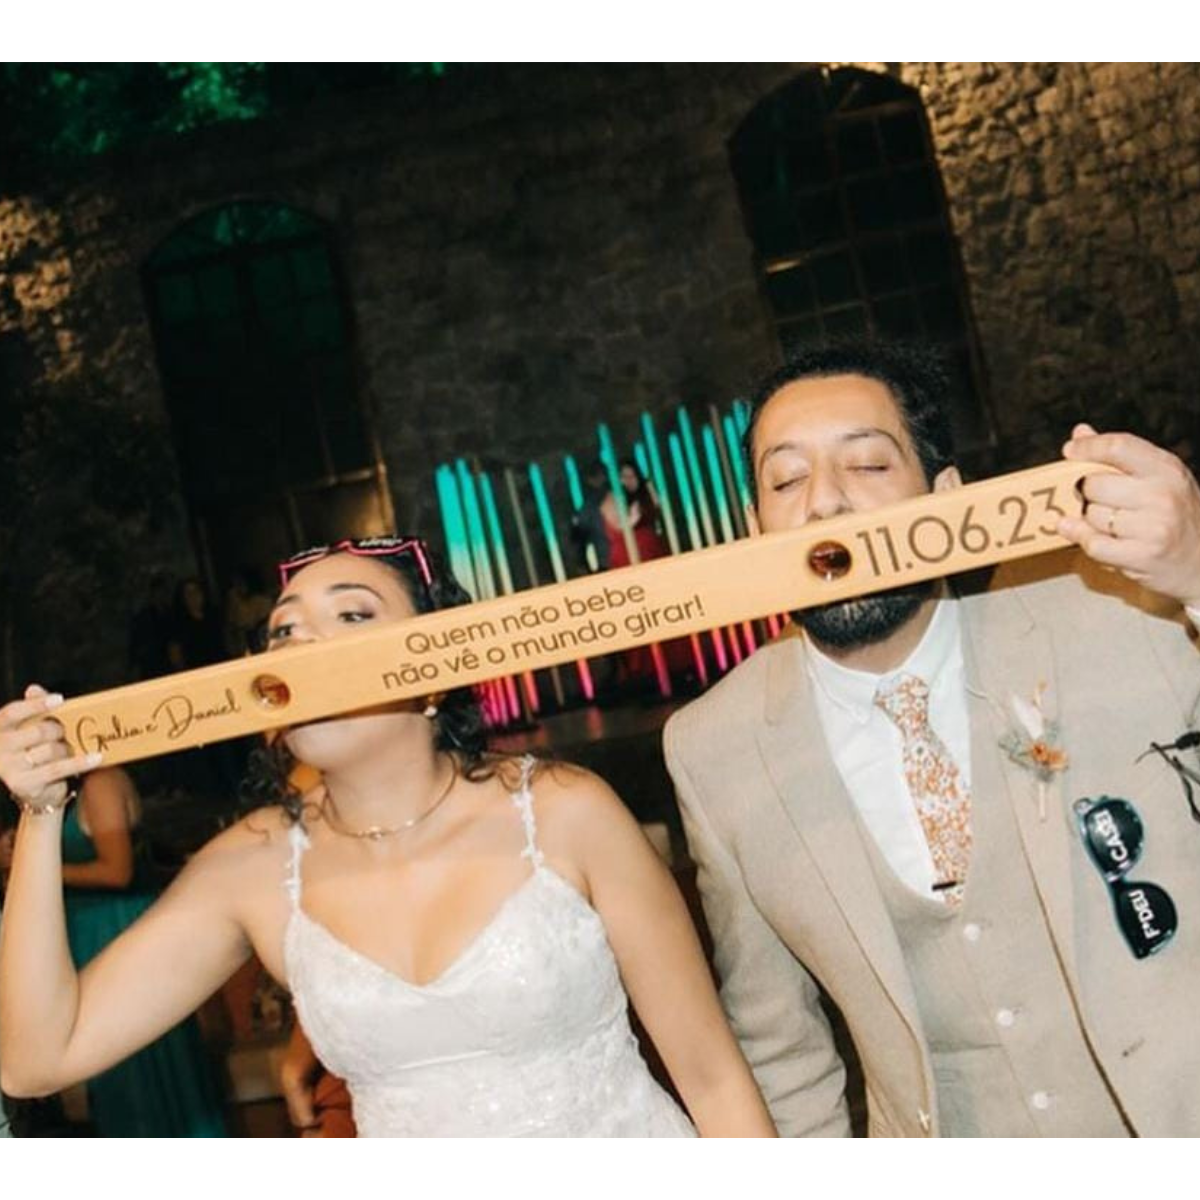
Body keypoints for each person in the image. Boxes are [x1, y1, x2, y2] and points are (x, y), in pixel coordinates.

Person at [0, 536, 775, 1137]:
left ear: (432, 668)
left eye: (352, 616)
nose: (301, 645)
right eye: (282, 630)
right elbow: (36, 1060)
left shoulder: (566, 811)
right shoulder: (253, 868)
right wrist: (40, 811)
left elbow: (714, 1081)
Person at [663, 339, 1200, 1137]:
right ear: (755, 529)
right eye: (787, 480)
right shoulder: (714, 747)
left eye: (867, 464)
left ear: (945, 497)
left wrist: (1196, 569)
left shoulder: (1110, 613)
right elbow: (782, 1052)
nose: (825, 503)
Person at [1, 766, 227, 1136]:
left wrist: (33, 869)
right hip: (94, 930)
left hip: (116, 929)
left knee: (140, 1074)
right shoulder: (76, 789)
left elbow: (117, 871)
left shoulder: (102, 783)